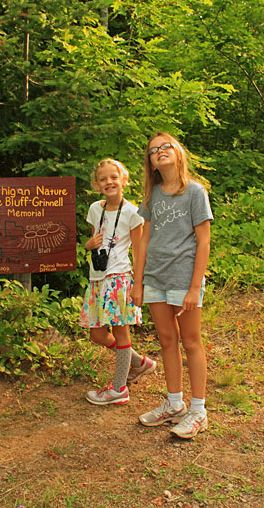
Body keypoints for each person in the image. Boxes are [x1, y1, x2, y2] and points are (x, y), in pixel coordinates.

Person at [132, 133, 213, 439]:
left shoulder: (194, 192)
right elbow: (144, 242)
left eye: (166, 146)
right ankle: (175, 405)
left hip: (183, 278)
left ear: (179, 153)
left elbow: (203, 241)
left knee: (191, 341)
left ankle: (198, 411)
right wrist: (138, 283)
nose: (160, 151)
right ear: (151, 163)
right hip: (155, 278)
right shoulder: (152, 196)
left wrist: (194, 287)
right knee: (167, 340)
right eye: (154, 150)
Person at [80, 158, 157, 405]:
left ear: (123, 180)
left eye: (113, 177)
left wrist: (138, 284)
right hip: (97, 279)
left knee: (121, 332)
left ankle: (119, 389)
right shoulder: (95, 209)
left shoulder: (133, 213)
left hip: (119, 278)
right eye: (103, 179)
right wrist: (87, 245)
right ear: (96, 184)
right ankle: (139, 363)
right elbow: (94, 242)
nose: (109, 182)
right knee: (97, 335)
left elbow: (138, 249)